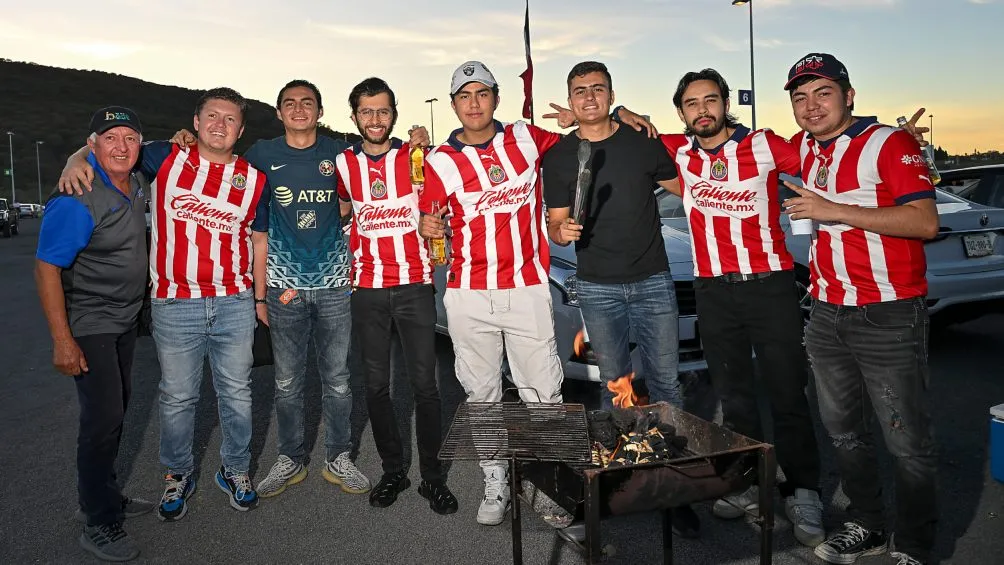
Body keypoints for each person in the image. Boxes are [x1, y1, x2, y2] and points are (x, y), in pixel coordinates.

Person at [418, 60, 653, 527]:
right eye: (464, 96)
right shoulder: (439, 160)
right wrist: (428, 229)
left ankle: (550, 484)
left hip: (526, 289)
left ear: (496, 98)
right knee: (482, 394)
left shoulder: (526, 138)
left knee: (543, 394)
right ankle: (495, 479)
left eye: (482, 93)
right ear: (453, 105)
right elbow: (432, 221)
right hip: (469, 294)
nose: (474, 103)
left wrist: (619, 112)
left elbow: (588, 133)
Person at [59, 87, 269, 521]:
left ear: (241, 129)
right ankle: (178, 474)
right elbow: (111, 148)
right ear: (196, 122)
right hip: (175, 303)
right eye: (212, 116)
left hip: (234, 301)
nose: (220, 125)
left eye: (230, 119)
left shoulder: (255, 179)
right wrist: (74, 158)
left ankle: (235, 469)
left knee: (237, 393)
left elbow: (259, 242)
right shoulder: (165, 157)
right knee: (177, 397)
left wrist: (260, 299)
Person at [781, 53, 939, 565]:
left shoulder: (888, 143)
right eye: (800, 97)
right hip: (827, 313)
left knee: (906, 439)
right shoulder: (803, 148)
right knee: (844, 432)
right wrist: (626, 115)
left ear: (849, 95)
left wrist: (832, 210)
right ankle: (867, 524)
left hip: (888, 313)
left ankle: (914, 545)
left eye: (823, 92)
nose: (811, 105)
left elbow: (924, 222)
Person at [658, 68, 824, 547]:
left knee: (787, 392)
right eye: (692, 103)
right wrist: (623, 112)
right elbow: (628, 131)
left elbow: (822, 152)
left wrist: (897, 140)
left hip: (768, 285)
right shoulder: (681, 152)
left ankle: (803, 490)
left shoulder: (764, 144)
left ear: (726, 103)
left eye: (710, 100)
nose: (702, 110)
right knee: (734, 397)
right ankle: (747, 481)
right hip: (713, 289)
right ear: (681, 112)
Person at [542, 60, 700, 537]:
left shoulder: (640, 141)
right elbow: (556, 223)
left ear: (611, 95)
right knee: (615, 386)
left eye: (598, 89)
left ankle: (675, 487)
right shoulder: (560, 157)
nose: (589, 97)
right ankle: (629, 477)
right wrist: (561, 232)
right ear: (570, 100)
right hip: (597, 287)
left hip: (653, 280)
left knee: (667, 384)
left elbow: (690, 190)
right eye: (580, 91)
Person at [335, 77, 457, 514]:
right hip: (367, 289)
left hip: (414, 286)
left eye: (383, 111)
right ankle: (393, 471)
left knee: (426, 387)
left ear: (394, 115)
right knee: (376, 387)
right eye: (366, 111)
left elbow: (443, 201)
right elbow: (343, 208)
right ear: (354, 117)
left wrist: (434, 225)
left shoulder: (415, 156)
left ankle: (432, 478)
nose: (375, 119)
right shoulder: (343, 163)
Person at [37, 107, 154, 562]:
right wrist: (62, 341)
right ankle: (99, 522)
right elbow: (47, 268)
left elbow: (165, 146)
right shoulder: (78, 196)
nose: (121, 146)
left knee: (117, 411)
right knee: (102, 420)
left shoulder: (136, 180)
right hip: (91, 322)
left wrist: (77, 154)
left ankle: (102, 496)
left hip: (123, 321)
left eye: (130, 137)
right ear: (92, 144)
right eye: (109, 138)